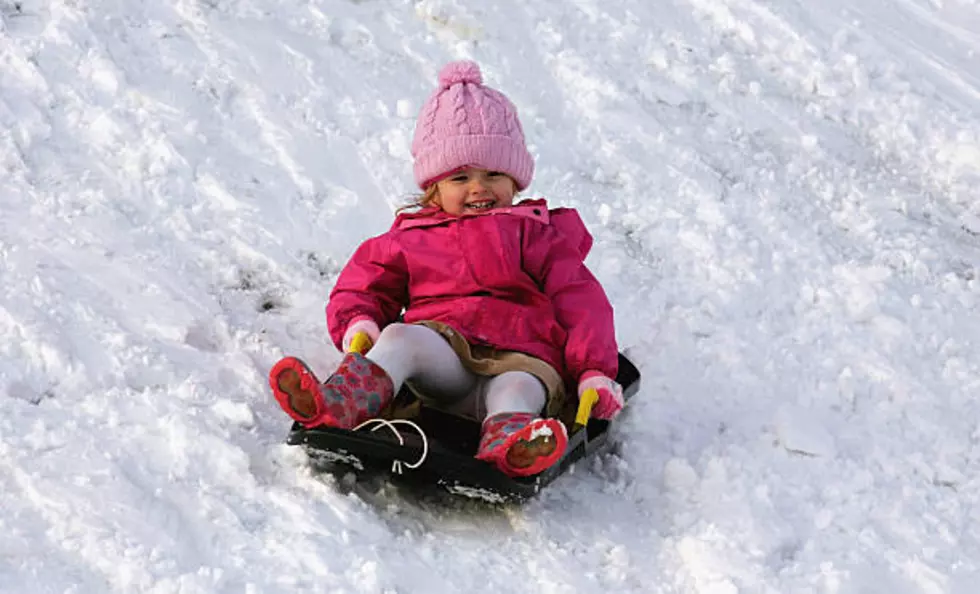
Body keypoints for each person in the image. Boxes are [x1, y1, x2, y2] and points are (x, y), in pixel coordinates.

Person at [269, 60, 623, 478]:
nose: (479, 187)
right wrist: (359, 322)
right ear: (434, 186)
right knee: (402, 336)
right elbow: (366, 281)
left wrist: (592, 371)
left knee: (519, 390)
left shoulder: (538, 236)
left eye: (494, 173)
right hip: (445, 366)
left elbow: (582, 302)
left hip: (520, 361)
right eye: (460, 177)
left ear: (516, 182)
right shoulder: (413, 236)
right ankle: (338, 405)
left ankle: (510, 445)